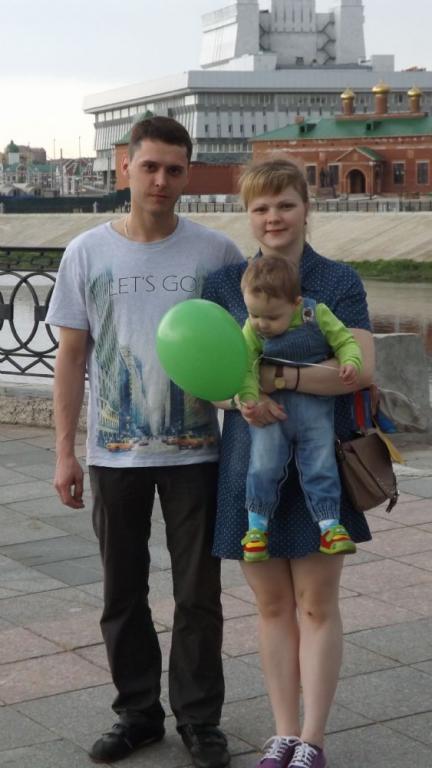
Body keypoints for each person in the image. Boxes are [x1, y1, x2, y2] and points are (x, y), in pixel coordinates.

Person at [46, 116, 244, 768]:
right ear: (125, 166)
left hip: (198, 454)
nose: (161, 180)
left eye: (174, 169)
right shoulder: (87, 252)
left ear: (187, 175)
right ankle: (137, 715)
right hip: (114, 453)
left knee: (199, 594)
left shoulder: (216, 253)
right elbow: (71, 357)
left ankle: (199, 721)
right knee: (122, 591)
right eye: (150, 166)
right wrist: (65, 452)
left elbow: (247, 343)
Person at [203, 158, 375, 768]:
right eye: (260, 207)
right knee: (272, 606)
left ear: (306, 207)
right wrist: (241, 399)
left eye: (284, 204)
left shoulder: (337, 280)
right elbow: (213, 379)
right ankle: (283, 734)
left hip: (322, 461)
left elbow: (360, 369)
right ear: (247, 215)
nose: (273, 217)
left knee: (317, 605)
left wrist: (274, 378)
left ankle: (313, 739)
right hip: (250, 462)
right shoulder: (225, 284)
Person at [237, 255, 362, 562]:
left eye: (271, 317)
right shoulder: (252, 329)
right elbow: (244, 367)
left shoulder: (315, 313)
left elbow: (345, 340)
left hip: (314, 410)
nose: (261, 324)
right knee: (263, 465)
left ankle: (329, 526)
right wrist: (250, 398)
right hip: (271, 414)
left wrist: (350, 361)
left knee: (321, 464)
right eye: (254, 314)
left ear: (295, 304)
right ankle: (256, 528)